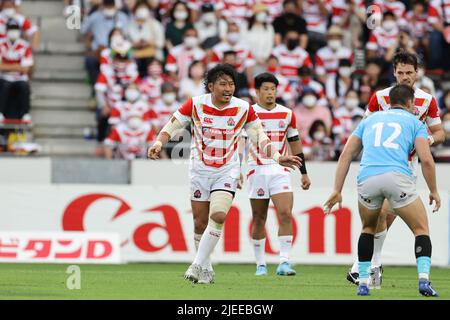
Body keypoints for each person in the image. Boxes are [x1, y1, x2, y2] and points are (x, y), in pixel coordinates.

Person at [147, 64, 302, 284]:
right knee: (200, 223)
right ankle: (207, 268)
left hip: (226, 170)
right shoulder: (196, 104)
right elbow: (172, 125)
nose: (228, 88)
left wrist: (277, 157)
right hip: (200, 170)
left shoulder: (243, 108)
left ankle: (196, 264)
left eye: (231, 84)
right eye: (223, 84)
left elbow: (260, 137)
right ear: (211, 86)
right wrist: (158, 143)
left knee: (218, 215)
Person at [324, 84, 441, 297]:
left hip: (367, 178)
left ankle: (363, 282)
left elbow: (346, 155)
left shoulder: (368, 120)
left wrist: (336, 189)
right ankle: (424, 281)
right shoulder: (415, 122)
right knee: (420, 228)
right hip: (397, 177)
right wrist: (433, 190)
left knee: (368, 229)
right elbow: (426, 159)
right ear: (409, 103)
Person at [346, 50, 445, 289]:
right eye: (400, 72)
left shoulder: (427, 100)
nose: (405, 77)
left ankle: (362, 269)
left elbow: (440, 133)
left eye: (409, 73)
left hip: (409, 165)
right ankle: (372, 268)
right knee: (381, 216)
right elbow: (364, 130)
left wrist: (424, 141)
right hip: (384, 162)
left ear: (417, 73)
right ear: (394, 72)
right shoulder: (380, 98)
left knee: (385, 217)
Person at [245, 73, 311, 276]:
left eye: (273, 89)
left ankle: (284, 262)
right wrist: (236, 171)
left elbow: (295, 143)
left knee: (285, 213)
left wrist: (303, 173)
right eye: (265, 89)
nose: (270, 93)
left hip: (280, 169)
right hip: (256, 169)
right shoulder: (248, 113)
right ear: (257, 91)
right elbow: (239, 143)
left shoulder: (287, 114)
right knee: (258, 218)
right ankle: (260, 264)